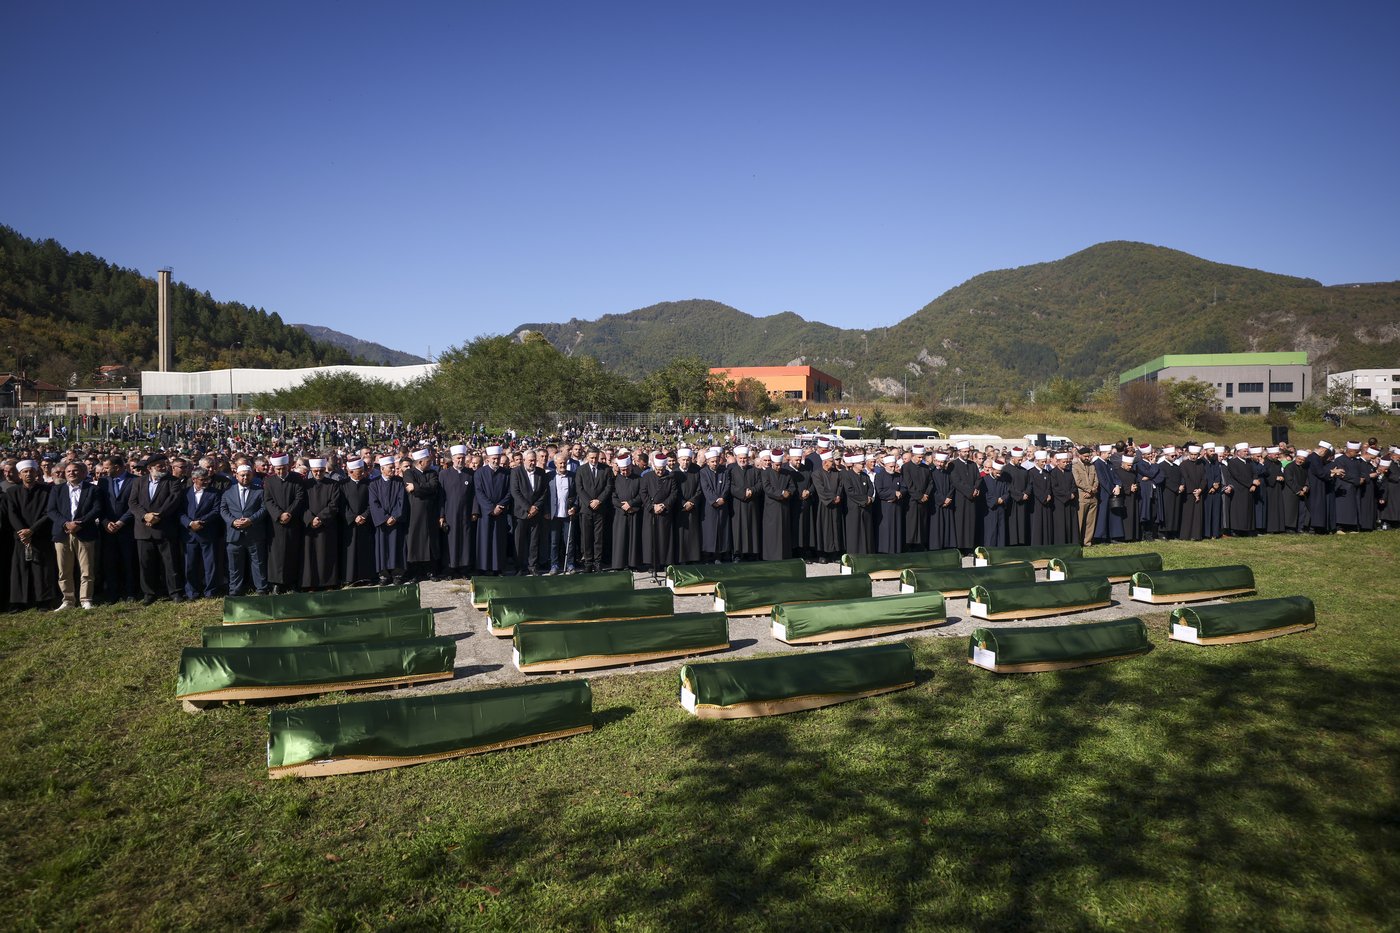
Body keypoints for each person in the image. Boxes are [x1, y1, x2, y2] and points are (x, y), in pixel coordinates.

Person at [129, 454, 185, 604]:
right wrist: (145, 516)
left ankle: (175, 592)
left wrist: (157, 516)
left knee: (170, 562)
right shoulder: (139, 482)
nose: (164, 467)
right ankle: (149, 593)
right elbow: (133, 503)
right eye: (160, 465)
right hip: (143, 529)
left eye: (164, 464)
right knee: (146, 564)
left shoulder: (173, 481)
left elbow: (173, 501)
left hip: (165, 528)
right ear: (150, 468)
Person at [48, 459, 101, 610]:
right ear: (65, 474)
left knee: (87, 569)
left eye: (75, 470)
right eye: (68, 471)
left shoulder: (92, 489)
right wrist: (66, 524)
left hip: (85, 532)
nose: (71, 473)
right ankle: (68, 600)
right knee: (64, 570)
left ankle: (86, 599)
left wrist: (80, 524)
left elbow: (97, 509)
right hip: (62, 533)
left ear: (83, 473)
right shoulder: (57, 490)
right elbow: (51, 510)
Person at [7, 459, 58, 610]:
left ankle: (43, 601)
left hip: (40, 534)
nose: (28, 474)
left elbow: (48, 513)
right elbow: (12, 513)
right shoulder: (12, 492)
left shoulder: (48, 490)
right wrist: (22, 532)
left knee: (42, 569)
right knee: (20, 569)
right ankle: (19, 602)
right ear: (20, 475)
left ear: (36, 473)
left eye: (31, 471)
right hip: (21, 537)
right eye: (25, 472)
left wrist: (32, 530)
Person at [220, 463, 269, 596]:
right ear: (236, 476)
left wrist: (251, 520)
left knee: (258, 562)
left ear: (252, 475)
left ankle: (261, 588)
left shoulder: (259, 491)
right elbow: (223, 509)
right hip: (234, 534)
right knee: (234, 564)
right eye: (242, 475)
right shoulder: (228, 492)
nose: (245, 478)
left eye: (248, 475)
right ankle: (235, 589)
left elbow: (264, 508)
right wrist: (232, 521)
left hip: (254, 533)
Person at [98, 455, 139, 603]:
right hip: (108, 529)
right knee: (110, 562)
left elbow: (135, 505)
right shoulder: (103, 482)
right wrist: (105, 522)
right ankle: (112, 593)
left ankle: (130, 592)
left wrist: (121, 522)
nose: (104, 470)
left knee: (129, 561)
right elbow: (99, 505)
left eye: (106, 467)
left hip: (128, 528)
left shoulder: (135, 480)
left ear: (116, 467)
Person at [262, 454, 305, 594]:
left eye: (283, 468)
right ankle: (276, 583)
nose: (280, 471)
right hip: (276, 523)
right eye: (278, 469)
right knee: (276, 554)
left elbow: (299, 497)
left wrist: (289, 513)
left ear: (288, 467)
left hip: (293, 521)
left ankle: (291, 582)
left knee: (292, 552)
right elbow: (268, 500)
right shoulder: (269, 481)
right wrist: (279, 514)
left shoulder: (297, 479)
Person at [179, 467, 223, 599]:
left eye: (207, 479)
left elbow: (216, 511)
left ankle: (210, 591)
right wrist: (190, 523)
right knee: (190, 564)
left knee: (210, 564)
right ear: (194, 479)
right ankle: (191, 592)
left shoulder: (215, 493)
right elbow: (179, 512)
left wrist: (201, 522)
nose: (206, 482)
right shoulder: (184, 493)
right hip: (190, 534)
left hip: (207, 533)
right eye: (203, 480)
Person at [301, 458, 344, 589]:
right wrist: (310, 519)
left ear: (325, 470)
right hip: (309, 526)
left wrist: (320, 518)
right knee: (310, 556)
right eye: (315, 471)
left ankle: (328, 583)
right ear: (311, 471)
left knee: (327, 554)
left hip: (326, 525)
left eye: (321, 471)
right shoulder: (305, 485)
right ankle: (310, 584)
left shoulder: (333, 484)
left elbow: (334, 504)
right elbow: (301, 504)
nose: (318, 473)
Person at [403, 448, 442, 580]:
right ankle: (416, 572)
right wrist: (423, 488)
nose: (430, 463)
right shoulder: (409, 473)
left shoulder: (432, 473)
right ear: (420, 462)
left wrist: (417, 487)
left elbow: (433, 487)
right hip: (415, 514)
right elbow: (411, 490)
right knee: (416, 542)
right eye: (428, 461)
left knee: (430, 543)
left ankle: (431, 571)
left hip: (430, 513)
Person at [369, 456, 409, 584]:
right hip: (382, 523)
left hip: (396, 522)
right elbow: (374, 503)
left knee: (397, 547)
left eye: (393, 468)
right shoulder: (374, 484)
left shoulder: (399, 482)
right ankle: (384, 575)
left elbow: (402, 501)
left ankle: (398, 574)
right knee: (382, 548)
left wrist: (395, 516)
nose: (393, 470)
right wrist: (385, 518)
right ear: (382, 469)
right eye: (390, 468)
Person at [473, 445, 512, 575]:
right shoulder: (479, 473)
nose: (496, 461)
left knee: (498, 541)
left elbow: (509, 492)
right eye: (494, 458)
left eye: (498, 458)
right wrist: (490, 508)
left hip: (500, 512)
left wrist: (500, 506)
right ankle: (483, 568)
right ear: (488, 459)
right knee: (484, 540)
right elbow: (479, 492)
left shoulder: (506, 473)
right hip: (485, 513)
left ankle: (497, 568)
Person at [339, 458, 378, 585]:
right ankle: (350, 578)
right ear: (350, 472)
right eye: (359, 472)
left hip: (365, 522)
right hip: (349, 524)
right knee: (350, 552)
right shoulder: (342, 485)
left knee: (365, 550)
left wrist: (364, 516)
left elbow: (372, 503)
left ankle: (367, 577)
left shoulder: (369, 483)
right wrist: (353, 517)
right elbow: (341, 505)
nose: (362, 474)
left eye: (362, 471)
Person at [439, 445, 475, 579]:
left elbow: (474, 495)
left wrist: (474, 511)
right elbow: (441, 497)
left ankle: (464, 569)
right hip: (450, 513)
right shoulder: (444, 474)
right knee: (450, 541)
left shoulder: (470, 473)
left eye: (463, 458)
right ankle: (450, 569)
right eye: (458, 458)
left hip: (466, 513)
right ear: (453, 459)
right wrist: (441, 515)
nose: (460, 460)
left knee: (465, 540)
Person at [509, 448, 547, 575]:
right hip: (520, 513)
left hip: (535, 513)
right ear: (524, 460)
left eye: (534, 460)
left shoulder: (541, 472)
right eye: (530, 460)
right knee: (519, 541)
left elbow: (544, 492)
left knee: (534, 541)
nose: (533, 463)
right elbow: (515, 492)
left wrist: (536, 507)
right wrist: (528, 508)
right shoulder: (516, 472)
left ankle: (532, 566)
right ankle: (520, 567)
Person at [641, 451, 680, 572]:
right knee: (650, 539)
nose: (660, 472)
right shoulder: (647, 477)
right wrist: (652, 506)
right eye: (658, 470)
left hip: (664, 512)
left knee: (664, 538)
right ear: (654, 466)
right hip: (651, 512)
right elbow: (643, 493)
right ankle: (651, 564)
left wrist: (664, 505)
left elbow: (674, 493)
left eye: (662, 470)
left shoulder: (670, 477)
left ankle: (664, 562)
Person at [576, 447, 612, 573]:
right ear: (587, 457)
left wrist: (599, 500)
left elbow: (608, 487)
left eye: (596, 458)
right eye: (591, 458)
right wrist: (589, 502)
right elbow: (579, 488)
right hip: (586, 509)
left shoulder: (606, 469)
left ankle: (597, 562)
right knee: (586, 537)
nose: (593, 460)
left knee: (598, 537)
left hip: (600, 508)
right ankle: (588, 562)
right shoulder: (581, 470)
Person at [544, 452, 578, 574]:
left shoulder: (572, 476)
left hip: (568, 514)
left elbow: (577, 494)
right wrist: (546, 511)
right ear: (555, 464)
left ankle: (570, 564)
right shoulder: (549, 476)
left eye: (564, 463)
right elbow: (545, 496)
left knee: (569, 541)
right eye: (560, 463)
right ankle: (554, 565)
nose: (563, 465)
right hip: (554, 515)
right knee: (554, 542)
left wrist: (574, 507)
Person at [727, 446, 762, 561]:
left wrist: (752, 490)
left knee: (752, 528)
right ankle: (738, 554)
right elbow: (730, 486)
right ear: (736, 458)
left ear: (748, 458)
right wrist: (743, 493)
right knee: (738, 530)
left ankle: (752, 553)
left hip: (752, 504)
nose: (742, 460)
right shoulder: (732, 471)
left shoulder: (755, 471)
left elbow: (760, 484)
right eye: (740, 458)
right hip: (737, 504)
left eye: (744, 458)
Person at [758, 450, 795, 560]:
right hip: (771, 507)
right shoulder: (766, 473)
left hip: (784, 507)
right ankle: (770, 556)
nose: (778, 467)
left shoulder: (787, 473)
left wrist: (789, 493)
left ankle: (784, 555)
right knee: (771, 532)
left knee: (784, 531)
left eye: (780, 465)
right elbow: (767, 488)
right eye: (776, 465)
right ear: (772, 463)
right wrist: (782, 493)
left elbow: (792, 487)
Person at [610, 455, 644, 571]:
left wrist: (630, 503)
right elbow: (613, 497)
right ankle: (619, 564)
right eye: (622, 470)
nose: (624, 472)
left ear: (630, 466)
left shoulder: (638, 479)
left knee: (633, 539)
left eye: (626, 469)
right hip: (620, 513)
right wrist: (622, 506)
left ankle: (633, 564)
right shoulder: (616, 480)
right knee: (620, 539)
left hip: (634, 512)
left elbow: (641, 495)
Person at [699, 447, 731, 563]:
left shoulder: (724, 471)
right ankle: (707, 556)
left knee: (721, 531)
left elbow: (727, 485)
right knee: (709, 532)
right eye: (712, 462)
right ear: (707, 462)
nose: (715, 464)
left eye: (716, 461)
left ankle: (719, 555)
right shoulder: (703, 472)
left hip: (722, 505)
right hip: (709, 506)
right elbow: (706, 488)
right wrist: (714, 500)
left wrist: (722, 498)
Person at [673, 448, 704, 565]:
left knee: (693, 534)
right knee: (681, 534)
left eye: (687, 460)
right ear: (678, 460)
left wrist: (692, 501)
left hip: (693, 507)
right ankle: (681, 559)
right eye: (683, 460)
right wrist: (683, 503)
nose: (685, 462)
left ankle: (693, 557)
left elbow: (699, 490)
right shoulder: (674, 473)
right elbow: (674, 491)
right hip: (679, 508)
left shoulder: (696, 472)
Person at [947, 442, 979, 551]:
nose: (967, 453)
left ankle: (969, 547)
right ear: (959, 452)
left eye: (968, 451)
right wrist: (971, 491)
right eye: (964, 451)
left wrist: (976, 489)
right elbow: (956, 481)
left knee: (971, 523)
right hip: (960, 498)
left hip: (972, 499)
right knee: (960, 523)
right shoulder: (953, 464)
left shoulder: (973, 464)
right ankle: (960, 548)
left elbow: (978, 479)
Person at [840, 454, 874, 555]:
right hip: (853, 508)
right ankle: (854, 554)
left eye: (863, 463)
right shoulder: (847, 476)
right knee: (854, 531)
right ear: (854, 464)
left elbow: (871, 488)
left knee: (866, 531)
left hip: (866, 507)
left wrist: (869, 497)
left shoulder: (865, 475)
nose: (863, 466)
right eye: (861, 464)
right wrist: (864, 499)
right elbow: (850, 491)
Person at [1223, 443, 1257, 537]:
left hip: (1249, 490)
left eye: (1247, 451)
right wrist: (1251, 483)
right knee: (1239, 510)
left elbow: (1255, 473)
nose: (1246, 453)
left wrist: (1254, 484)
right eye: (1244, 451)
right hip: (1238, 490)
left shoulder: (1249, 462)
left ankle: (1247, 529)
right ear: (1238, 452)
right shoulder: (1233, 462)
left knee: (1248, 510)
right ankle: (1237, 530)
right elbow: (1238, 476)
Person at [873, 454, 904, 554]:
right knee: (885, 530)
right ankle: (884, 551)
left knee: (896, 529)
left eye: (894, 466)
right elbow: (880, 492)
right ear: (885, 465)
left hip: (896, 506)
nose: (893, 468)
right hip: (884, 508)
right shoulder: (879, 476)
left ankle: (896, 550)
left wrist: (898, 495)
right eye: (891, 466)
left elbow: (904, 488)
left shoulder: (898, 476)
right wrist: (893, 493)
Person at [902, 446, 931, 551]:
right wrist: (919, 496)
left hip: (924, 500)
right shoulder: (906, 467)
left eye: (922, 457)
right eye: (919, 457)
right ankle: (910, 545)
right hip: (911, 501)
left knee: (922, 523)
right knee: (911, 524)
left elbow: (930, 483)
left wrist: (926, 494)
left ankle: (920, 544)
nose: (920, 459)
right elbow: (909, 484)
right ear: (913, 456)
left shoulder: (925, 467)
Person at [1071, 446, 1100, 547]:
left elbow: (1096, 480)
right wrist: (1089, 489)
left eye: (1089, 456)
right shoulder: (1075, 467)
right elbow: (1078, 481)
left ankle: (1087, 541)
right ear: (1080, 455)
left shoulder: (1092, 466)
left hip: (1093, 497)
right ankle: (1078, 542)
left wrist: (1093, 490)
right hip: (1082, 497)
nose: (1087, 458)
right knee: (1080, 521)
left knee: (1091, 521)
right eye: (1085, 456)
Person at [980, 460, 1009, 547]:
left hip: (1001, 510)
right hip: (990, 511)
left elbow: (1007, 492)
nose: (998, 475)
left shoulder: (1003, 480)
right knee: (990, 533)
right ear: (992, 469)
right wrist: (996, 500)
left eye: (1000, 473)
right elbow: (985, 495)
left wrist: (1003, 499)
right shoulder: (985, 480)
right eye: (997, 473)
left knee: (1001, 532)